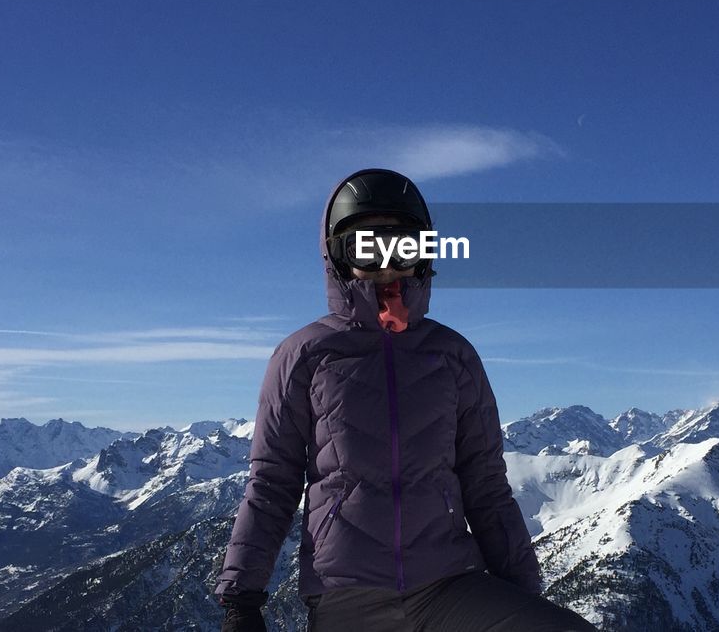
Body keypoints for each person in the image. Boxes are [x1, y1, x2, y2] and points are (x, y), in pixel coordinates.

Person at [213, 168, 598, 631]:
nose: (387, 263)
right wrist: (242, 599)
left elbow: (485, 484)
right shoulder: (304, 355)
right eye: (366, 246)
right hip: (347, 594)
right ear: (337, 256)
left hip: (449, 586)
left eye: (403, 246)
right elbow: (272, 483)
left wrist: (523, 595)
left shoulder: (452, 355)